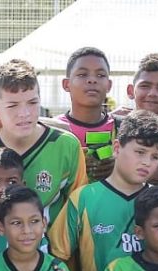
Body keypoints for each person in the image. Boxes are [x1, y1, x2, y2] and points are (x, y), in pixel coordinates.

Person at [50, 111, 158, 271]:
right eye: (140, 152)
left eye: (155, 156)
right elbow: (55, 255)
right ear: (116, 148)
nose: (147, 162)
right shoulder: (83, 198)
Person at [0, 59, 87, 223]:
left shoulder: (67, 146)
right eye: (13, 105)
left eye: (32, 103)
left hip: (50, 247)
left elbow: (79, 209)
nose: (24, 113)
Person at [58, 47, 115, 183]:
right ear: (66, 84)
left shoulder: (122, 128)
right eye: (83, 75)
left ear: (109, 85)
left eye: (100, 75)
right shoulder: (53, 130)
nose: (92, 80)